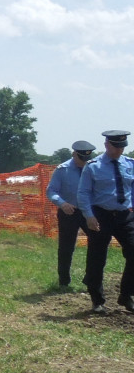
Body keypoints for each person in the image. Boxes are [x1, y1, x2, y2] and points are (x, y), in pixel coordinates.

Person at [77, 130, 134, 314]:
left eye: (122, 147)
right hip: (101, 215)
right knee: (97, 257)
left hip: (124, 215)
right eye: (116, 147)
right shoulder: (93, 166)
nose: (119, 150)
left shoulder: (130, 164)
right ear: (107, 145)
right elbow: (83, 193)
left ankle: (126, 294)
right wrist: (89, 215)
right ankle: (97, 300)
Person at [46, 140, 94, 288]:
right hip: (69, 211)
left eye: (86, 159)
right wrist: (62, 203)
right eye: (81, 158)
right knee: (66, 247)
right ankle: (64, 281)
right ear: (74, 154)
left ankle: (91, 278)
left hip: (89, 212)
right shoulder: (63, 170)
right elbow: (51, 190)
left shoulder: (94, 167)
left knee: (97, 243)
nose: (83, 162)